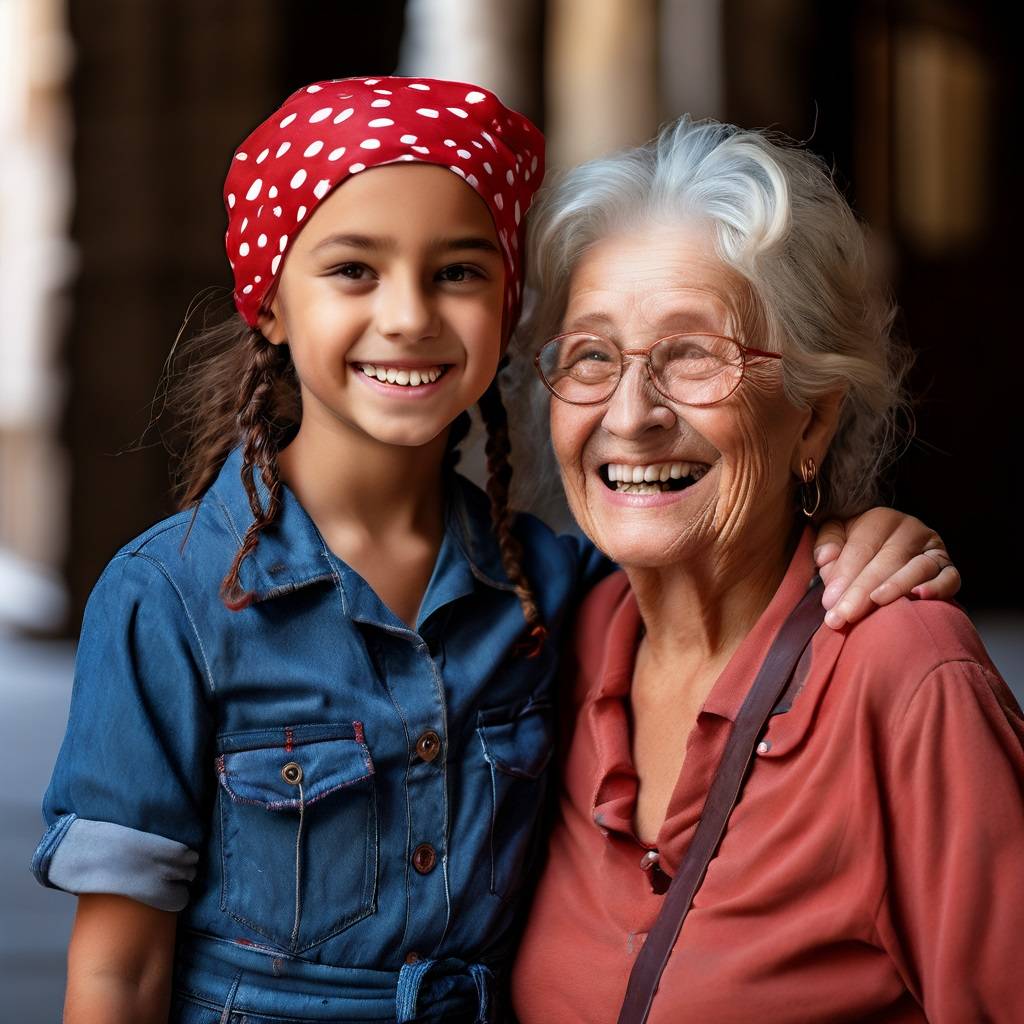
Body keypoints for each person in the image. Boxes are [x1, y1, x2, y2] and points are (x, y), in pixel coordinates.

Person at [32, 78, 958, 1024]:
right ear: (268, 302)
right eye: (354, 270)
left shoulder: (557, 589)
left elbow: (726, 560)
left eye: (459, 273)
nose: (407, 316)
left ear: (509, 308)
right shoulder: (168, 600)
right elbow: (119, 973)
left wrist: (857, 527)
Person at [511, 116, 1024, 1023]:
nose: (631, 414)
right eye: (592, 356)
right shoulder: (552, 645)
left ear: (814, 420)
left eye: (693, 355)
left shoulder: (907, 679)